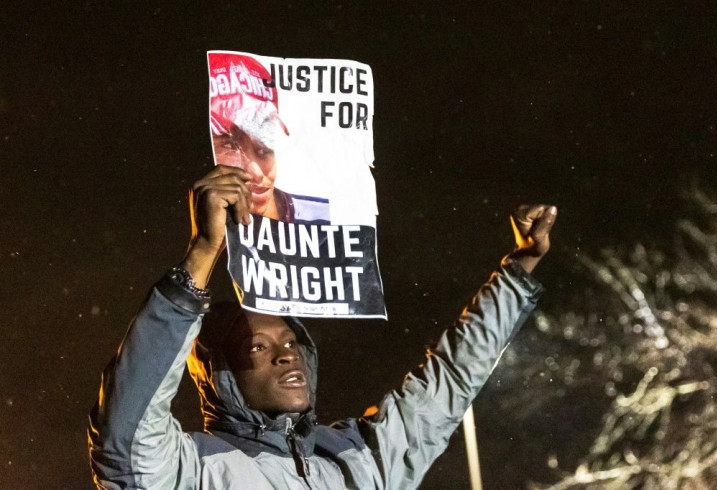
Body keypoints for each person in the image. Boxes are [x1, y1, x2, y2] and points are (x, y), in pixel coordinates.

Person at [88, 165, 557, 489]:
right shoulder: (189, 470)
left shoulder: (356, 460)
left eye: (292, 340)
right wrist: (205, 251)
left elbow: (450, 381)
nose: (285, 352)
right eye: (257, 346)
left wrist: (518, 270)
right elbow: (126, 426)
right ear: (221, 376)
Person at [209, 54, 330, 224]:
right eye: (231, 146)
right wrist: (208, 245)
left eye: (263, 146)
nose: (257, 174)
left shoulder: (323, 219)